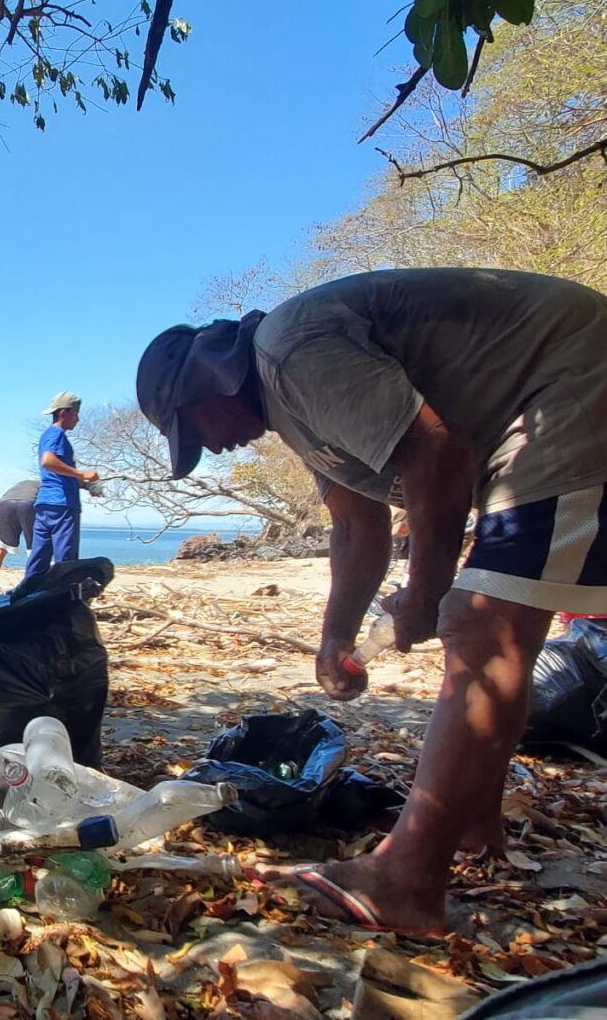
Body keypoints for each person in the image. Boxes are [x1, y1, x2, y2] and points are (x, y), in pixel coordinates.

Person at [136, 268, 607, 935]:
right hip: (540, 406)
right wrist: (336, 637)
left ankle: (405, 881)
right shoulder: (295, 406)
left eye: (193, 430)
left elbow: (437, 457)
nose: (210, 448)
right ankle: (471, 821)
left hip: (571, 384)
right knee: (496, 626)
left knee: (481, 625)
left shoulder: (290, 352)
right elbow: (357, 526)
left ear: (208, 382)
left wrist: (425, 594)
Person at [23, 392, 99, 581]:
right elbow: (48, 461)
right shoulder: (56, 434)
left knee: (39, 557)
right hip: (63, 504)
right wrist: (81, 473)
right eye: (76, 413)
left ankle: (27, 595)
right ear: (64, 413)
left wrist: (86, 485)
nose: (78, 419)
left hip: (46, 503)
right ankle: (63, 599)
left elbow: (56, 471)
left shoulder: (49, 435)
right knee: (65, 560)